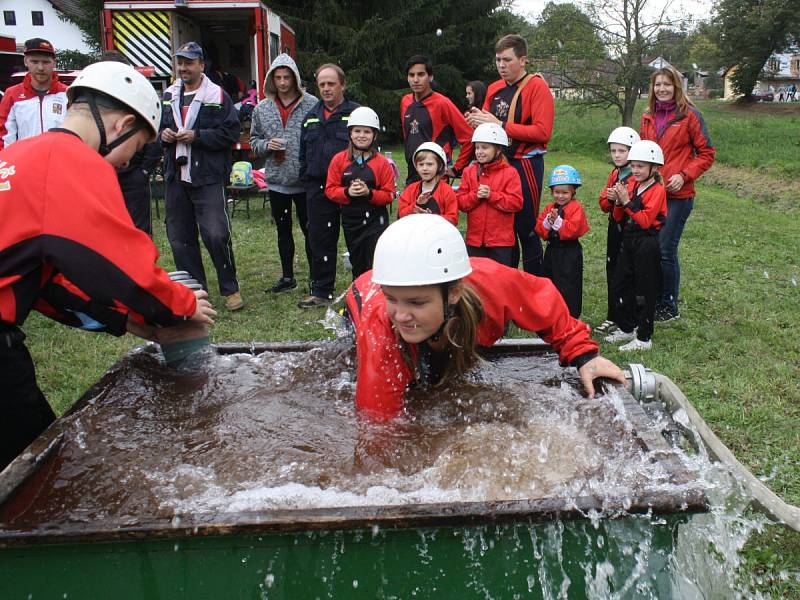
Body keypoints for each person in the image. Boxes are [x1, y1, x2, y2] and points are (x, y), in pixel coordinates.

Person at [0, 61, 216, 471]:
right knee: (39, 477)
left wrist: (136, 324)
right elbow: (122, 265)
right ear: (122, 125)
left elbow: (52, 285)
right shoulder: (73, 162)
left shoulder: (20, 154)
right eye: (134, 152)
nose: (123, 166)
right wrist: (181, 305)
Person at [344, 214, 625, 420]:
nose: (401, 315)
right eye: (393, 299)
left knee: (445, 369)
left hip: (452, 310)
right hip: (364, 297)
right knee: (413, 385)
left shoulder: (492, 282)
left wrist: (584, 356)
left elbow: (543, 301)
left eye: (416, 302)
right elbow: (378, 424)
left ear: (453, 293)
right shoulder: (382, 328)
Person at [160, 42, 244, 311]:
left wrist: (197, 136)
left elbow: (231, 133)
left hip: (207, 175)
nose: (183, 68)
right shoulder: (168, 94)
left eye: (189, 63)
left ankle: (230, 288)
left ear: (201, 65)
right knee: (180, 237)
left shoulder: (218, 95)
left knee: (216, 234)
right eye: (180, 63)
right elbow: (158, 125)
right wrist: (164, 134)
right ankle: (196, 292)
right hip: (176, 175)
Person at [467, 34, 555, 276]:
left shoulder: (537, 87)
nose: (502, 65)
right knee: (502, 230)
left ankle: (534, 287)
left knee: (526, 228)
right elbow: (486, 129)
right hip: (495, 166)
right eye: (498, 60)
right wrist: (476, 122)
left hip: (525, 163)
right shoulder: (494, 88)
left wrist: (500, 124)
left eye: (507, 60)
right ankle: (507, 284)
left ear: (523, 60)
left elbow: (542, 131)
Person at [639, 66, 714, 322]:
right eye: (658, 84)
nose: (662, 89)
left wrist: (683, 175)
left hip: (678, 196)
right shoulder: (647, 116)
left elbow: (707, 154)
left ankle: (669, 305)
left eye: (667, 84)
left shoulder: (690, 116)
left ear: (677, 87)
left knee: (665, 249)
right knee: (650, 248)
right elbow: (643, 153)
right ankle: (654, 297)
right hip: (652, 193)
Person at [250, 53, 317, 293]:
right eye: (277, 77)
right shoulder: (262, 109)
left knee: (311, 230)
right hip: (278, 181)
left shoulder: (312, 104)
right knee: (283, 229)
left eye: (287, 77)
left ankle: (315, 278)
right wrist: (266, 146)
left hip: (305, 181)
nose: (282, 82)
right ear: (271, 79)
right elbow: (254, 141)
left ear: (295, 78)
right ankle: (287, 277)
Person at [297, 64, 360, 308]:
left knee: (357, 239)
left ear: (342, 85)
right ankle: (321, 291)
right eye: (322, 84)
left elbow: (368, 146)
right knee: (320, 239)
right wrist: (306, 176)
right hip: (318, 188)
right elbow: (302, 151)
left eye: (331, 83)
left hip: (350, 188)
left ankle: (361, 287)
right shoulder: (311, 116)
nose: (326, 88)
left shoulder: (356, 114)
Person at [604, 141, 667, 352]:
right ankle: (627, 326)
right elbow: (617, 215)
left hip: (647, 243)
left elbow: (646, 220)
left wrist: (627, 202)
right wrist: (617, 201)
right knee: (622, 284)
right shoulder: (632, 185)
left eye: (641, 166)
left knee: (644, 290)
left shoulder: (657, 190)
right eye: (633, 166)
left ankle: (644, 337)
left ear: (654, 168)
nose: (636, 170)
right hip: (629, 240)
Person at [325, 107, 396, 279]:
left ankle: (378, 293)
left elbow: (389, 194)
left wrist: (369, 193)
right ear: (350, 133)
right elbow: (330, 189)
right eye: (357, 131)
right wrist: (348, 192)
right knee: (357, 261)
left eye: (367, 131)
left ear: (375, 135)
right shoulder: (339, 160)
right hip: (351, 220)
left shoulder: (381, 163)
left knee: (375, 260)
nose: (361, 135)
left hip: (375, 219)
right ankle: (360, 294)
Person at [101, 50, 161, 236]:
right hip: (103, 174)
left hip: (134, 174)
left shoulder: (139, 98)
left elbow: (154, 135)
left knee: (139, 230)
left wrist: (144, 171)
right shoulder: (93, 100)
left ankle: (142, 264)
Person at [456, 123, 522, 267]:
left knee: (498, 283)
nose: (479, 151)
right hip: (475, 241)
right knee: (476, 283)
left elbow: (516, 203)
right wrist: (475, 196)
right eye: (477, 147)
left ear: (498, 150)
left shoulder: (510, 173)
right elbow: (461, 202)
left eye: (485, 147)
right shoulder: (469, 171)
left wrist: (492, 196)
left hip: (500, 243)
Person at [400, 55, 474, 184]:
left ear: (430, 76)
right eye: (411, 75)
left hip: (437, 177)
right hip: (412, 174)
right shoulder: (405, 102)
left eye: (421, 74)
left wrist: (457, 169)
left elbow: (469, 136)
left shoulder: (442, 103)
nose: (416, 80)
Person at [595, 126, 640, 334]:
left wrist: (621, 201)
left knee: (627, 273)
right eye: (614, 151)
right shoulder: (614, 174)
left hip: (631, 230)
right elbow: (604, 205)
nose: (617, 155)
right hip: (614, 227)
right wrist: (609, 199)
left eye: (622, 151)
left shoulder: (637, 176)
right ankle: (613, 314)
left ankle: (629, 317)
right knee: (612, 270)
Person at [535, 165, 589, 318]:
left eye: (565, 192)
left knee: (569, 284)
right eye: (557, 192)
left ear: (573, 191)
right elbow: (540, 229)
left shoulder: (576, 207)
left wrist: (558, 222)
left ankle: (570, 315)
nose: (560, 196)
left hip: (569, 252)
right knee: (550, 280)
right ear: (552, 192)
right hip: (552, 250)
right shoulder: (549, 208)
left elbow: (575, 229)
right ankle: (552, 313)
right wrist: (547, 222)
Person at [0, 38, 67, 149]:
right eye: (34, 62)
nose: (40, 68)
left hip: (59, 161)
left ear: (54, 62)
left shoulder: (67, 94)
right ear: (26, 61)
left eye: (46, 62)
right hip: (25, 162)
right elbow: (3, 135)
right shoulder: (12, 94)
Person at [398, 142, 458, 225]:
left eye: (429, 164)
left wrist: (432, 218)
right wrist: (416, 206)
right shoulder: (410, 190)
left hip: (438, 236)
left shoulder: (447, 191)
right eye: (421, 164)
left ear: (440, 166)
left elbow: (453, 219)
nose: (424, 168)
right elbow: (401, 215)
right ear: (416, 167)